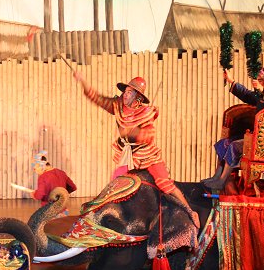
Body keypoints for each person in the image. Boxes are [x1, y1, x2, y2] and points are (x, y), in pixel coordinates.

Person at [72, 71, 191, 208]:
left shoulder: (145, 112)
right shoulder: (117, 106)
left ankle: (189, 211)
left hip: (147, 155)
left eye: (130, 92)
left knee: (165, 184)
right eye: (126, 91)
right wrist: (82, 80)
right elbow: (97, 98)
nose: (126, 94)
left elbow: (149, 134)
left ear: (137, 96)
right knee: (117, 184)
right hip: (126, 154)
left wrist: (133, 132)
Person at [202, 67, 264, 190]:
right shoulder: (261, 96)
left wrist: (260, 89)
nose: (257, 83)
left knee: (235, 146)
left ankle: (222, 180)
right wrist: (231, 81)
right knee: (225, 143)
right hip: (257, 136)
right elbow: (246, 94)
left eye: (260, 80)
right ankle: (217, 176)